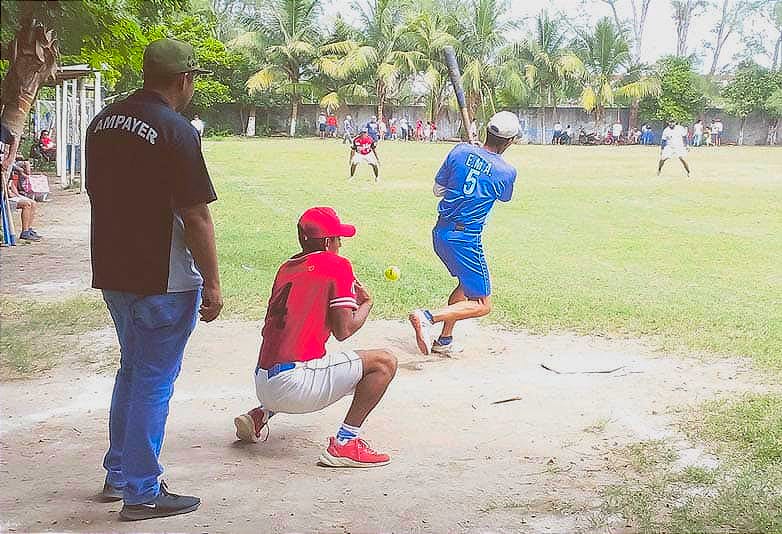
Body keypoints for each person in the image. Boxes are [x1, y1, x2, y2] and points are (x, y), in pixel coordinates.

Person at [85, 38, 223, 521]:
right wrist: (214, 284)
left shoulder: (101, 123)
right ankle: (142, 490)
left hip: (113, 269)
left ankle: (119, 472)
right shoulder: (176, 130)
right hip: (163, 277)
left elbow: (96, 193)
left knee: (133, 369)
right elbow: (196, 216)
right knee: (153, 380)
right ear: (185, 79)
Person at [233, 207, 396, 467]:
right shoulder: (337, 265)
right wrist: (366, 303)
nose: (341, 244)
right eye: (339, 239)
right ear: (329, 242)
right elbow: (344, 331)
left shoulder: (286, 267)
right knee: (384, 362)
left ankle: (259, 414)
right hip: (295, 384)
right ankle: (345, 443)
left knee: (318, 359)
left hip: (263, 382)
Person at [408, 111, 520, 356]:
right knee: (482, 304)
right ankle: (427, 317)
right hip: (465, 239)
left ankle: (445, 340)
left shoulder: (459, 151)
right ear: (510, 141)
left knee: (465, 285)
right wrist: (482, 165)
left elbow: (438, 190)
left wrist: (471, 158)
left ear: (486, 132)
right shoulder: (506, 171)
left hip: (441, 233)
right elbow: (504, 197)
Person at [6, 168, 41, 242]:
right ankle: (24, 232)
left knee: (33, 203)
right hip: (5, 199)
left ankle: (28, 229)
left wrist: (17, 195)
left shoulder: (10, 169)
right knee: (26, 204)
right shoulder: (4, 168)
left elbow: (11, 184)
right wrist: (10, 194)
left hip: (10, 195)